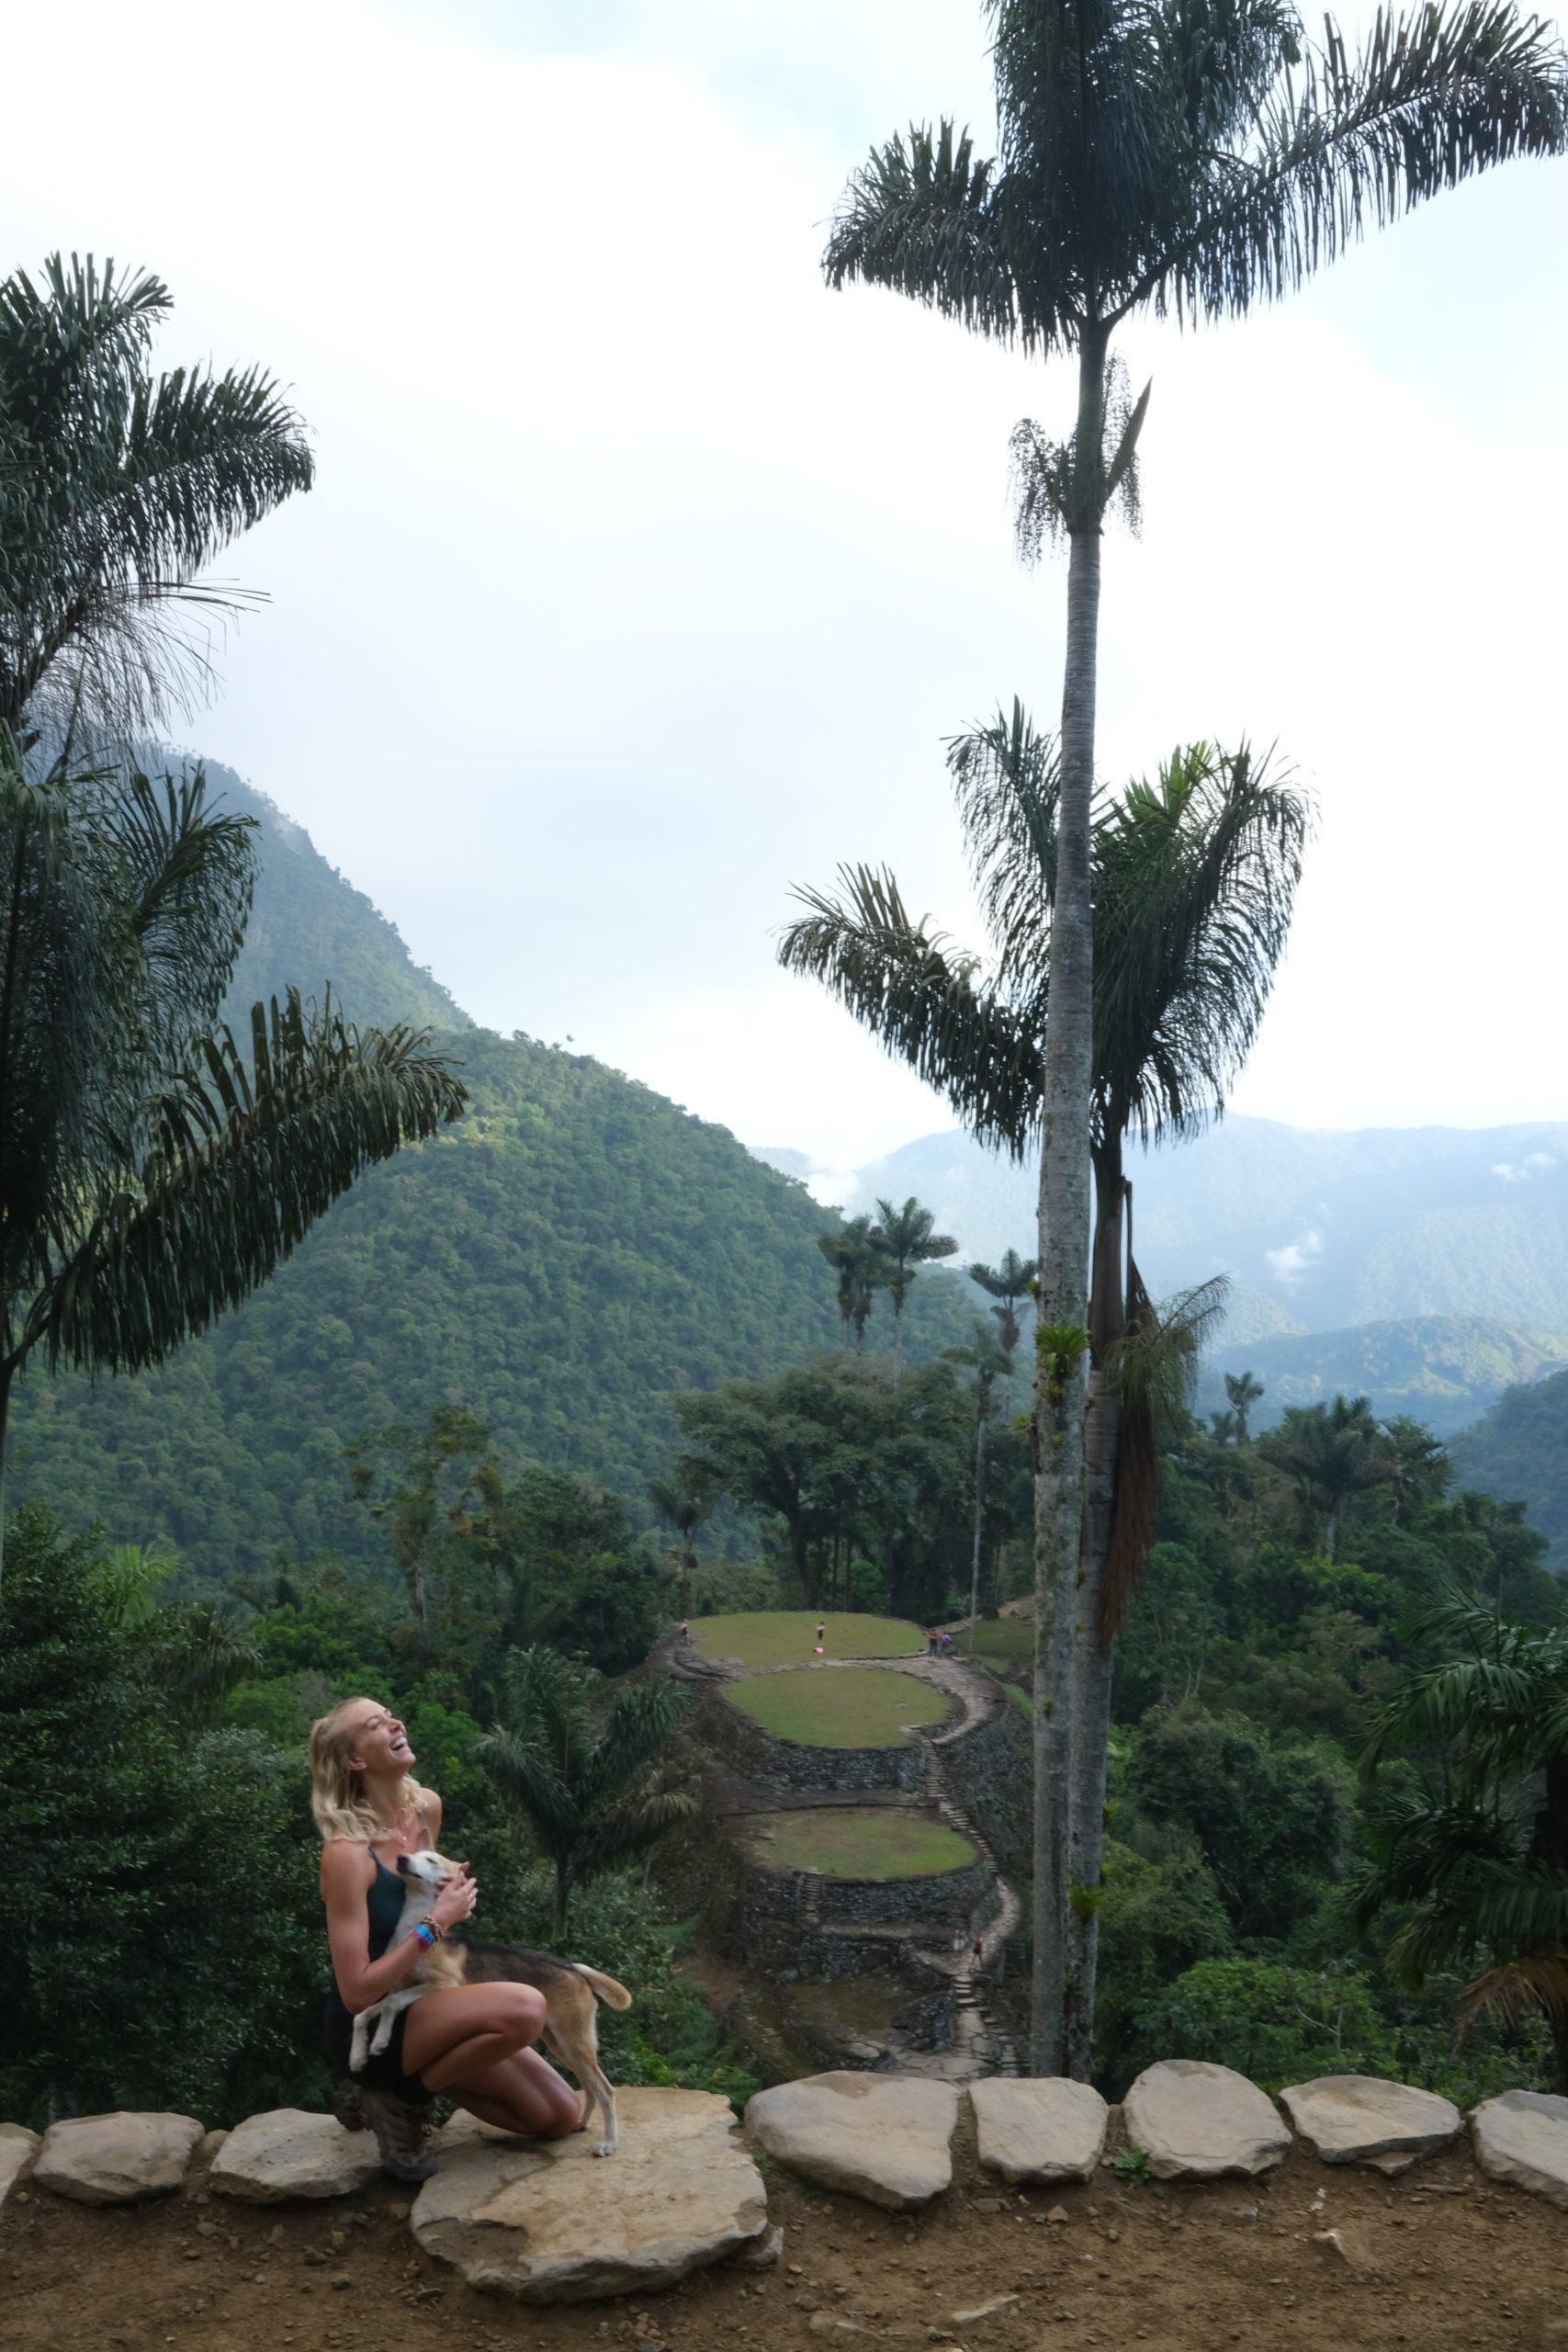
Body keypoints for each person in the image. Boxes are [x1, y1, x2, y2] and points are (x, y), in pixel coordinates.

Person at [311, 1698, 581, 2177]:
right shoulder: (347, 1856)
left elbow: (423, 1904)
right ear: (355, 1760)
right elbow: (355, 1992)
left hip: (423, 1997)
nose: (396, 1721)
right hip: (371, 2023)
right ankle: (401, 2099)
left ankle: (404, 2085)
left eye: (392, 1714)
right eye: (376, 1724)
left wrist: (448, 1902)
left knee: (558, 2116)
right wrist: (437, 1922)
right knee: (525, 2008)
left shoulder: (425, 1809)